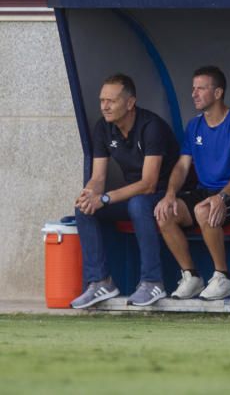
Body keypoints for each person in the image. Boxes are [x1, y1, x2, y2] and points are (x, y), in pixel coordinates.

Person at [70, 74, 180, 308]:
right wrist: (90, 194)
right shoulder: (103, 128)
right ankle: (100, 281)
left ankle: (153, 282)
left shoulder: (152, 127)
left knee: (138, 204)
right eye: (102, 101)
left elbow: (149, 183)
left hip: (167, 195)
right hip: (134, 197)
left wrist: (106, 198)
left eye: (111, 101)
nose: (104, 106)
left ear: (130, 103)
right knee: (84, 209)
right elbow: (98, 177)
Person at [154, 66, 230, 301]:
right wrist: (170, 194)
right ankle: (191, 276)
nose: (194, 93)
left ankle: (224, 276)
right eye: (193, 89)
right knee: (165, 213)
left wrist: (222, 197)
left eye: (201, 88)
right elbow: (182, 166)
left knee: (205, 209)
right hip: (205, 191)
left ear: (218, 92)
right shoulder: (194, 126)